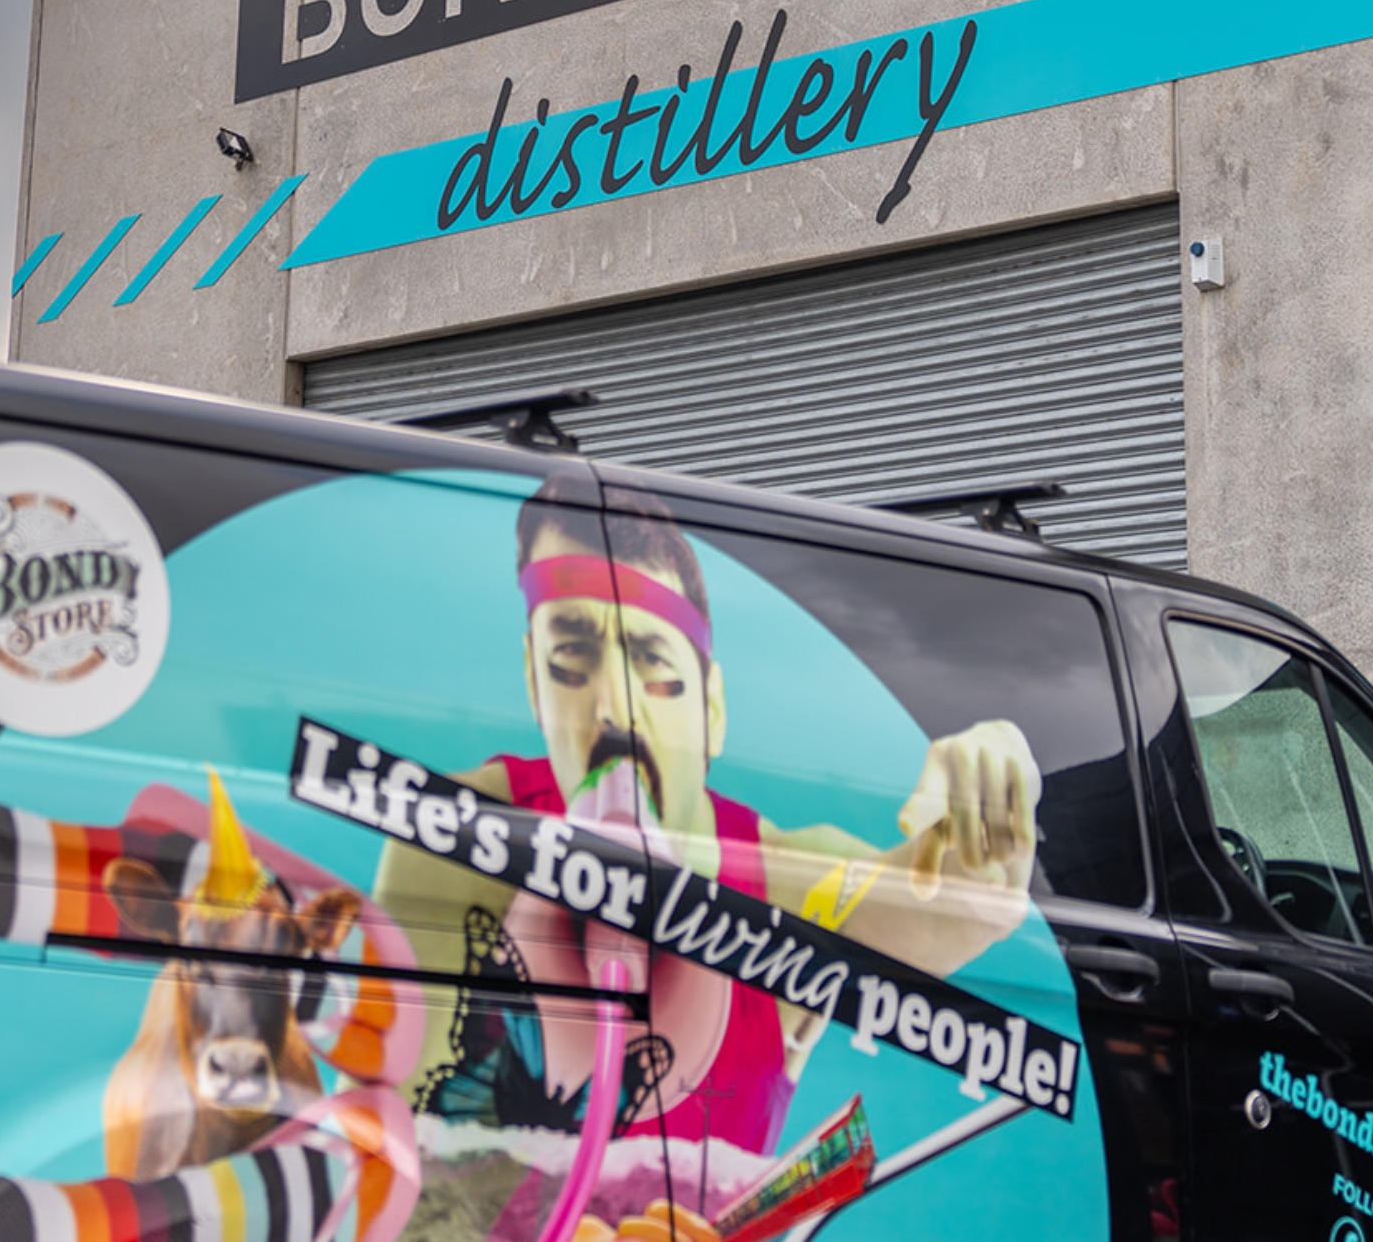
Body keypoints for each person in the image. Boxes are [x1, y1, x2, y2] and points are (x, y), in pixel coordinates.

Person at [375, 471, 1037, 1161]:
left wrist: (989, 818)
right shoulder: (460, 833)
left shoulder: (785, 883)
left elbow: (941, 910)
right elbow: (400, 1154)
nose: (614, 707)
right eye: (572, 656)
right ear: (533, 684)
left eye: (652, 661)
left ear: (712, 710)